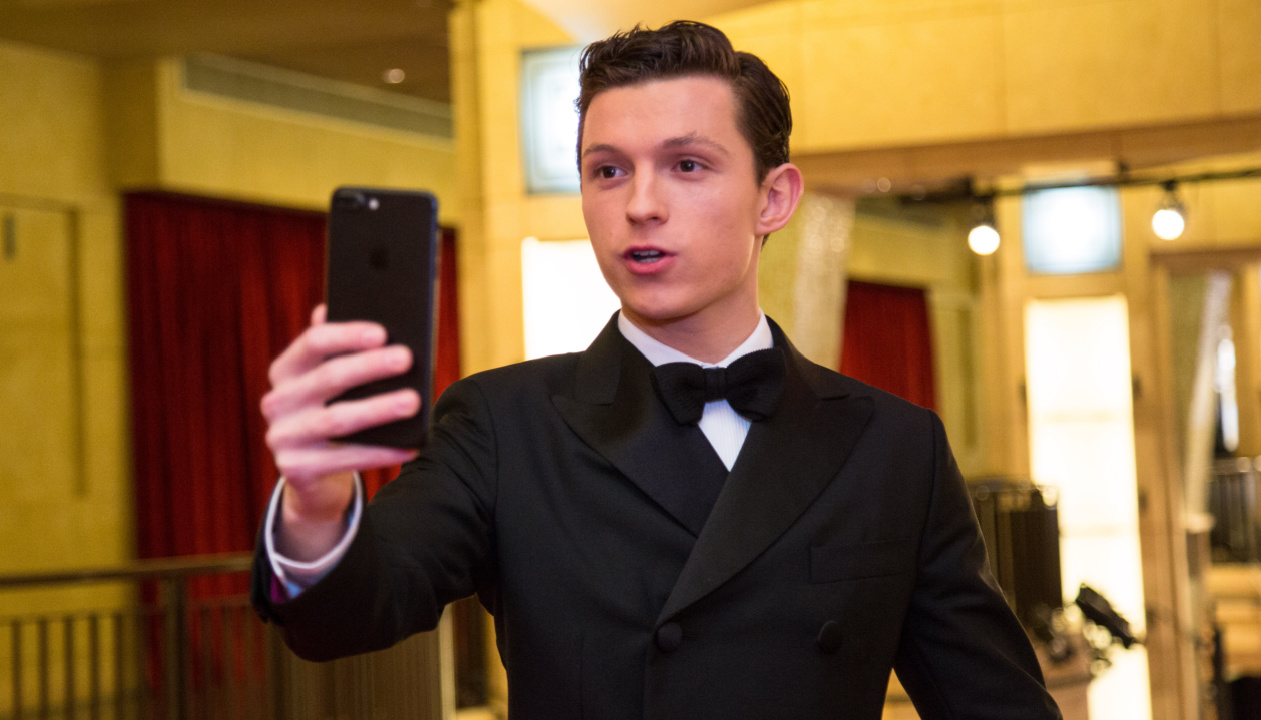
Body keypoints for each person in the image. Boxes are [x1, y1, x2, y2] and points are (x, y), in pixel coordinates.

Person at [251, 20, 1061, 719]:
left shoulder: (894, 447)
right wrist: (319, 506)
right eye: (609, 170)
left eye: (687, 165)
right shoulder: (505, 424)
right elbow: (347, 616)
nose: (640, 204)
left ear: (773, 199)